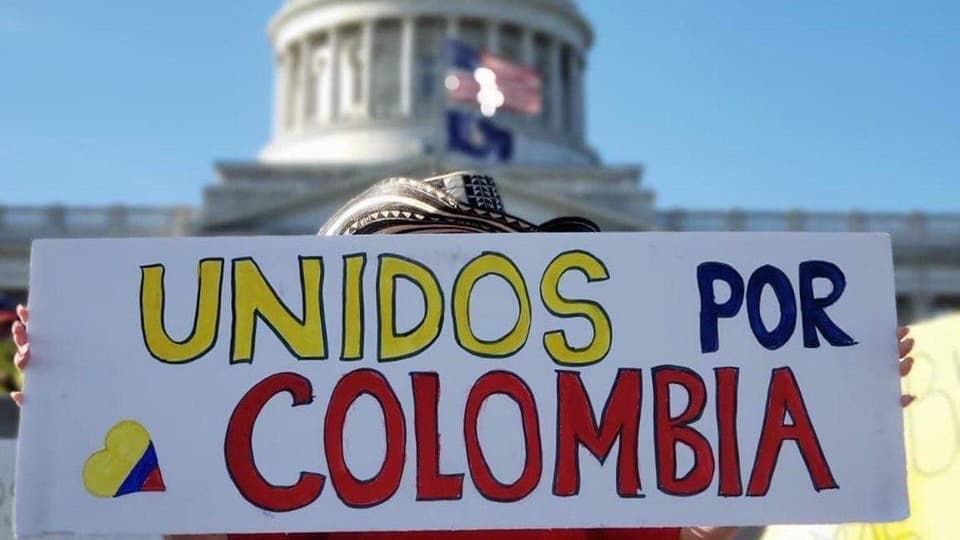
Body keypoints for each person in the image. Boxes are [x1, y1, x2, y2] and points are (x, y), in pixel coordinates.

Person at [9, 171, 917, 540]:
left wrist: (825, 407)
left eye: (493, 280)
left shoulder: (578, 457)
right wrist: (79, 392)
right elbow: (150, 508)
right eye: (427, 281)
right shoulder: (264, 470)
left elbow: (689, 525)